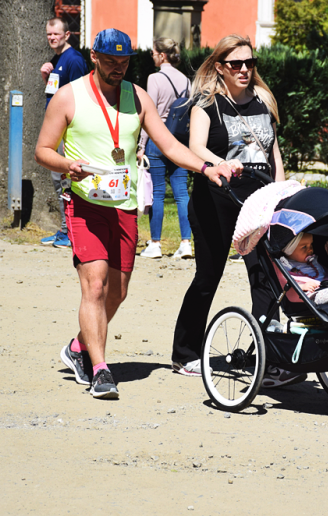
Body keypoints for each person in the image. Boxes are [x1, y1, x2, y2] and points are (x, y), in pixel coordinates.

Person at [34, 28, 236, 399]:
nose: (118, 68)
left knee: (119, 291)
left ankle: (79, 348)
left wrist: (206, 168)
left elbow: (171, 145)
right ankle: (100, 370)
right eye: (110, 61)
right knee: (95, 285)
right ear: (94, 57)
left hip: (124, 207)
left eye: (124, 61)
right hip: (85, 203)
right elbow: (42, 150)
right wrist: (67, 164)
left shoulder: (137, 96)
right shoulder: (68, 97)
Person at [171, 34, 305, 388]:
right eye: (236, 64)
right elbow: (196, 147)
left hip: (260, 200)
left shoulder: (263, 100)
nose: (245, 70)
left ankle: (270, 357)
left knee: (266, 276)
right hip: (216, 198)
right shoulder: (206, 105)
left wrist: (283, 192)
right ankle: (185, 353)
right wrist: (221, 164)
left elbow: (273, 152)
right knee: (207, 276)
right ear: (220, 68)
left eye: (250, 63)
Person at [137, 37, 193, 259]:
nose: (152, 55)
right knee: (181, 193)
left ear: (162, 55)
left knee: (158, 192)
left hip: (158, 139)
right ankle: (186, 243)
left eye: (153, 52)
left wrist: (141, 145)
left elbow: (149, 113)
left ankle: (155, 244)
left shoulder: (155, 78)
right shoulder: (186, 81)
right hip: (179, 141)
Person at [39, 16, 88, 249]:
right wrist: (46, 79)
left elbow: (80, 97)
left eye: (56, 34)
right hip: (56, 131)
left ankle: (71, 232)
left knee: (66, 181)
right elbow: (58, 93)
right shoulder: (56, 59)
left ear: (67, 35)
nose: (51, 38)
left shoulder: (74, 60)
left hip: (68, 133)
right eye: (49, 35)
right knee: (60, 181)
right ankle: (64, 229)